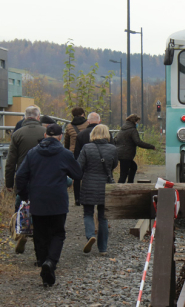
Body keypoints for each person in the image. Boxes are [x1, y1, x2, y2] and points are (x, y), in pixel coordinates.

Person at [15, 124, 83, 287]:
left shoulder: (32, 153)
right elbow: (78, 174)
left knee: (40, 235)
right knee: (58, 233)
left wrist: (25, 195)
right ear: (60, 136)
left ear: (45, 135)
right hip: (58, 200)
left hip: (37, 199)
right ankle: (51, 262)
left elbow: (20, 176)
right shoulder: (64, 154)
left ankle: (44, 264)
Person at [5, 105, 46, 254]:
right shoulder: (45, 133)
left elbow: (10, 161)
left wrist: (9, 183)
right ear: (38, 117)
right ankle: (39, 249)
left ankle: (21, 232)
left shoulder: (17, 134)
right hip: (43, 177)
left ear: (24, 117)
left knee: (21, 205)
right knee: (41, 211)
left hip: (23, 178)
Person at [77, 124, 118, 255]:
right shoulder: (112, 148)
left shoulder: (86, 148)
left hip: (89, 183)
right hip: (105, 185)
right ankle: (103, 249)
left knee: (88, 213)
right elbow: (114, 164)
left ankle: (90, 236)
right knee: (103, 217)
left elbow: (79, 166)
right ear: (107, 134)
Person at [116, 114, 155, 183]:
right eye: (137, 122)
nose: (137, 124)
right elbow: (138, 142)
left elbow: (116, 140)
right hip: (126, 154)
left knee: (133, 167)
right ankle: (120, 188)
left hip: (121, 153)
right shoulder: (132, 130)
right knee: (124, 174)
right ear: (134, 121)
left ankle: (130, 183)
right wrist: (151, 146)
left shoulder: (122, 129)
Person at [64, 107, 89, 206]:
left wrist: (67, 152)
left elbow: (67, 142)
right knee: (87, 174)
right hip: (87, 151)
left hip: (74, 153)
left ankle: (77, 199)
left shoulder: (69, 126)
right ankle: (86, 197)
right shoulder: (88, 124)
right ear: (83, 114)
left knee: (77, 176)